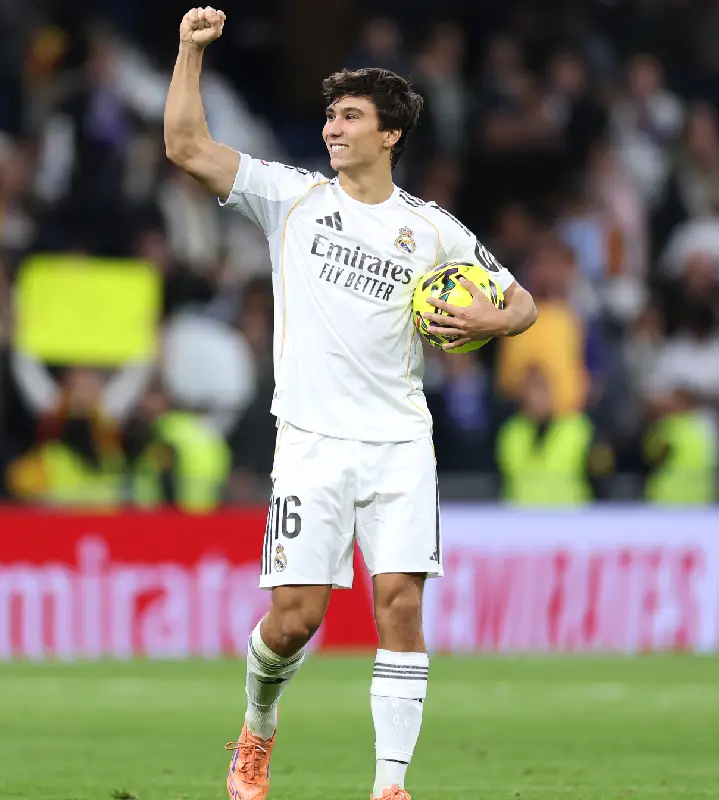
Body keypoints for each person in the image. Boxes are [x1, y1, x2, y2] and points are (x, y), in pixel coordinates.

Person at [163, 9, 538, 800]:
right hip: (310, 442)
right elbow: (186, 147)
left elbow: (523, 303)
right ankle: (257, 729)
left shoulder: (432, 231)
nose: (333, 127)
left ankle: (390, 787)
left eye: (350, 116)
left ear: (390, 135)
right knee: (294, 620)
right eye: (331, 114)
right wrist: (190, 52)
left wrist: (488, 319)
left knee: (399, 604)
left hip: (400, 442)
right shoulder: (290, 198)